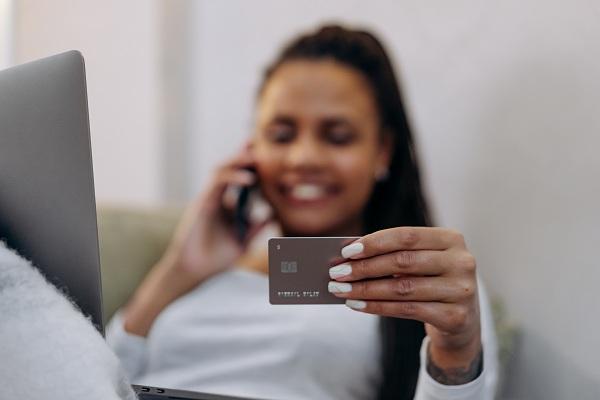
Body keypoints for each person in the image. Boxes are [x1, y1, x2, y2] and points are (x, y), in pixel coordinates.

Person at [107, 25, 498, 400]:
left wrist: (455, 352)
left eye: (337, 136)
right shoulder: (202, 274)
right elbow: (90, 382)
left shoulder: (428, 285)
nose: (304, 157)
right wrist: (180, 268)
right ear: (251, 147)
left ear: (382, 151)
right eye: (281, 135)